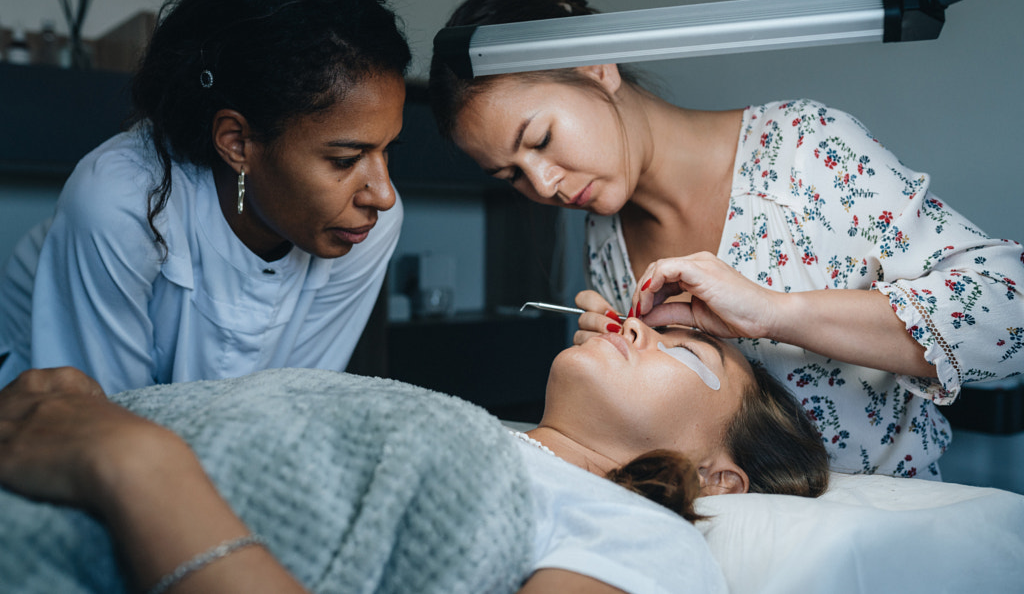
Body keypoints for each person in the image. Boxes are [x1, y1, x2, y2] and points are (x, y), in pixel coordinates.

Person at [429, 0, 1024, 479]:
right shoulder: (604, 240)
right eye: (511, 175)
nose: (542, 185)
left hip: (877, 528)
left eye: (540, 140)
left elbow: (1011, 311)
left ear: (594, 65)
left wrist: (774, 312)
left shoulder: (803, 151)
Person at [0, 316, 828, 594]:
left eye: (687, 351)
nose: (632, 322)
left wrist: (133, 461)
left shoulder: (647, 539)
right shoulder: (471, 431)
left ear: (721, 475)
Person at [0, 0, 412, 394]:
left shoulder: (368, 229)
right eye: (346, 160)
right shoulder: (118, 205)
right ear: (237, 142)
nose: (383, 195)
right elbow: (100, 429)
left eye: (388, 151)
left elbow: (296, 402)